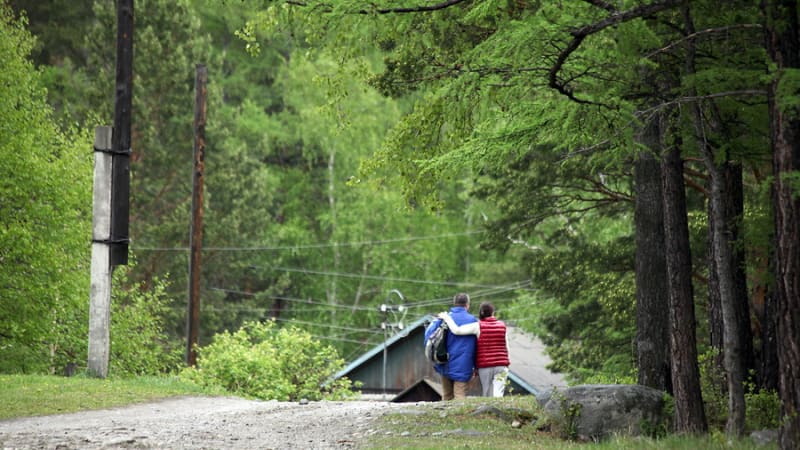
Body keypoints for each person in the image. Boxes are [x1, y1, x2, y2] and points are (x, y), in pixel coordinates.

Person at [439, 302, 509, 397]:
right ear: (493, 312)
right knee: (498, 392)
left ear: (481, 312)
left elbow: (457, 330)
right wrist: (507, 363)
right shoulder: (502, 326)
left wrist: (447, 318)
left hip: (485, 366)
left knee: (487, 392)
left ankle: (490, 406)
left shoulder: (478, 326)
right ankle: (498, 405)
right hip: (502, 364)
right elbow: (507, 347)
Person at [424, 293, 478, 400]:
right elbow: (478, 345)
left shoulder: (444, 318)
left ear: (454, 303)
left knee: (447, 396)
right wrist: (476, 366)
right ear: (467, 305)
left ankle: (445, 411)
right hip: (464, 365)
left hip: (445, 363)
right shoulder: (473, 321)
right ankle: (460, 412)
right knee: (459, 395)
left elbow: (428, 336)